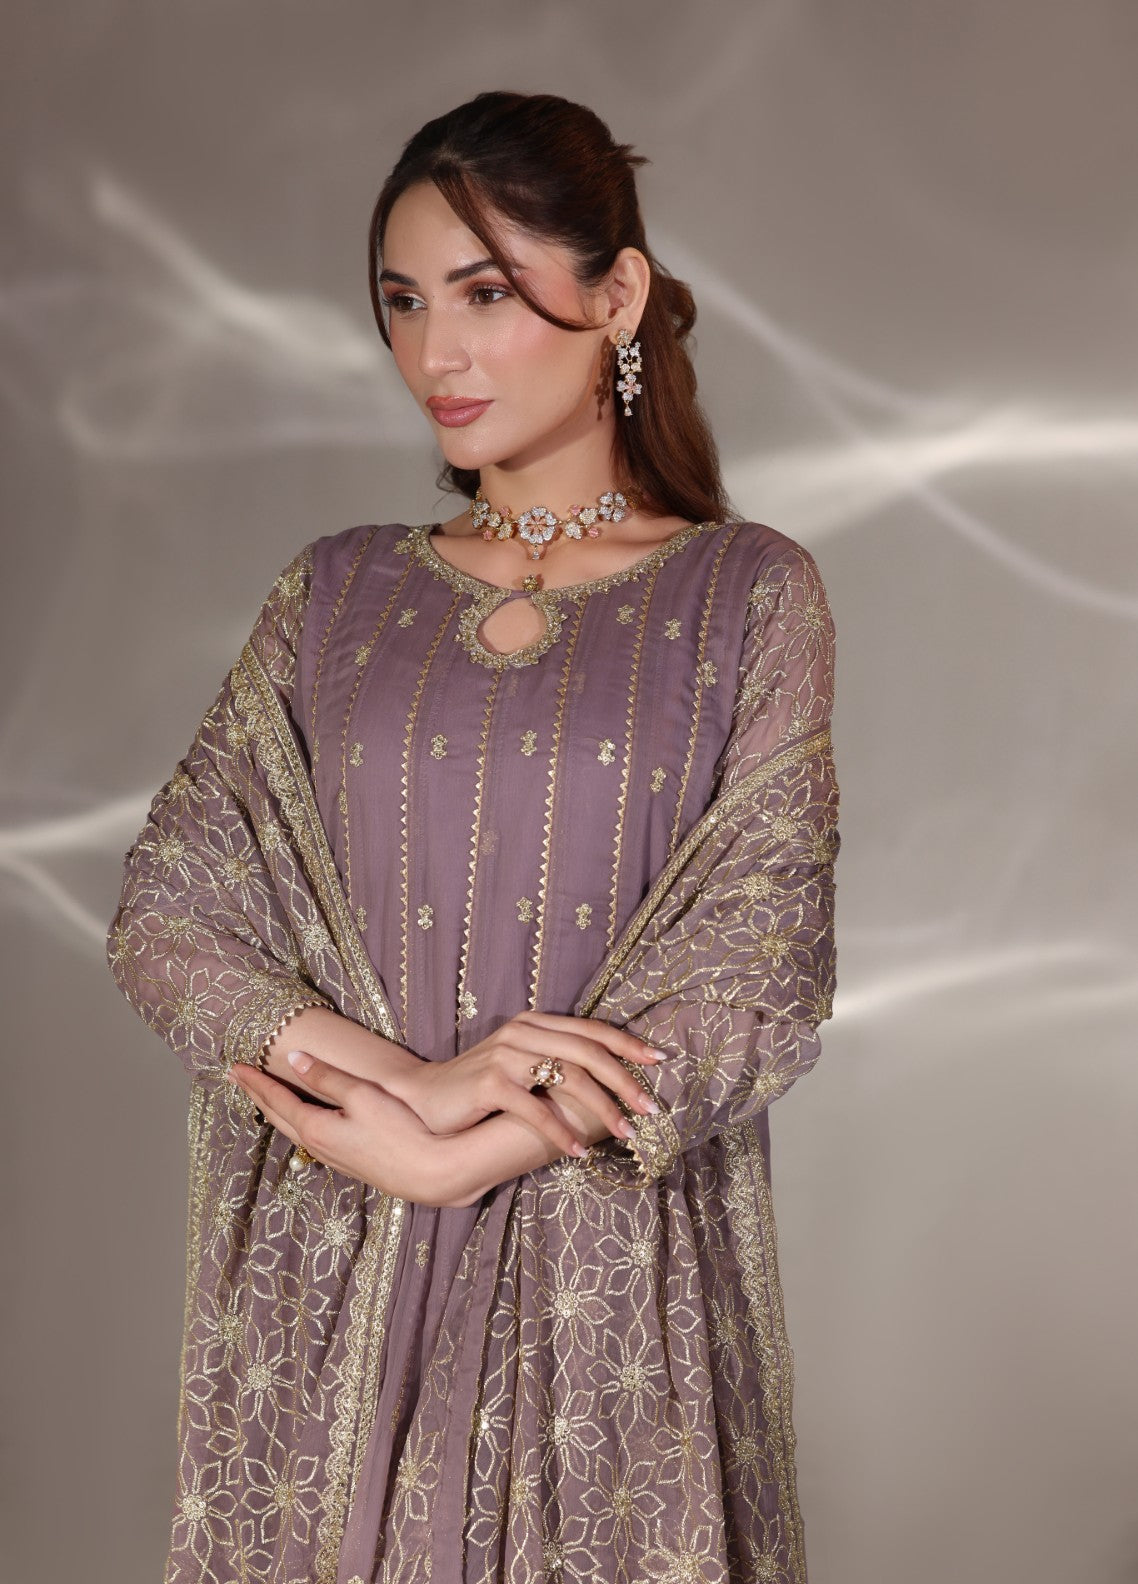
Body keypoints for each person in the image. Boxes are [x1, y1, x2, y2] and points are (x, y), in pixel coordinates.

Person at [106, 89, 840, 1584]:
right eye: (403, 303)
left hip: (606, 1273)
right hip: (336, 1259)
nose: (433, 353)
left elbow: (756, 970)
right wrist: (413, 1100)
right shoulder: (336, 595)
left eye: (486, 294)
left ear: (615, 296)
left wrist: (471, 1154)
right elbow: (170, 913)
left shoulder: (746, 596)